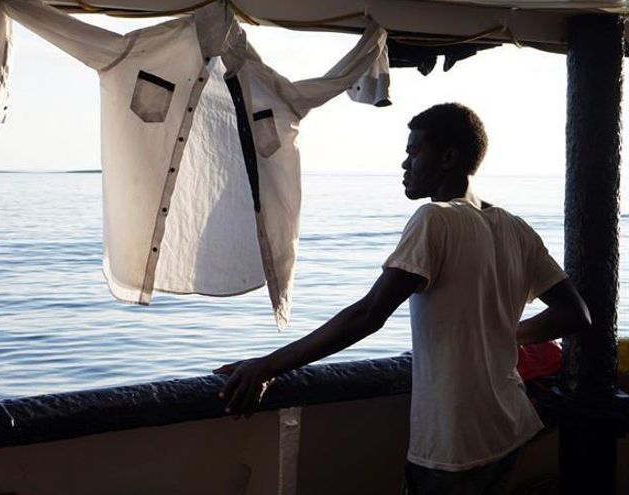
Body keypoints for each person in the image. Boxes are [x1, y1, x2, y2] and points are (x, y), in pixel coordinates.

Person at [214, 103, 591, 494]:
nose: (404, 164)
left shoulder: (436, 220)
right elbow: (575, 313)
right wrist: (502, 333)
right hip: (508, 426)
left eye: (414, 152)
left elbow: (368, 314)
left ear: (448, 158)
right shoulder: (516, 228)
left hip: (454, 442)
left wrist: (268, 366)